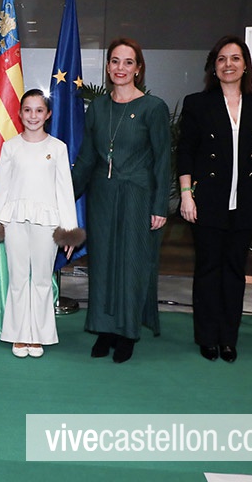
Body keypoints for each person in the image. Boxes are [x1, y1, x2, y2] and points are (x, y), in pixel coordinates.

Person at [177, 35, 252, 363]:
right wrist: (186, 195)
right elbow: (186, 152)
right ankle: (207, 337)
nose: (228, 64)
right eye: (221, 59)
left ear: (245, 65)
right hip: (207, 201)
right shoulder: (197, 103)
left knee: (235, 271)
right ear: (214, 66)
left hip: (248, 202)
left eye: (235, 58)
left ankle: (228, 338)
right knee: (208, 269)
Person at [72, 37, 171, 363]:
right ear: (108, 66)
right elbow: (86, 159)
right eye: (115, 61)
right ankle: (105, 329)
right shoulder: (98, 108)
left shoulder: (153, 108)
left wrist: (160, 206)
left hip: (137, 197)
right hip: (101, 197)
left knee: (131, 264)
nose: (121, 68)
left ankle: (127, 332)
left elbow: (163, 161)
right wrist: (62, 197)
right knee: (102, 264)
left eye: (128, 62)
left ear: (138, 68)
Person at [0, 89, 84, 358]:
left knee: (41, 279)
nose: (33, 116)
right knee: (17, 279)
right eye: (27, 110)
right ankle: (18, 334)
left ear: (48, 114)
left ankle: (38, 336)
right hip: (15, 220)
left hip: (47, 222)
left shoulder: (57, 148)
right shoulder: (11, 147)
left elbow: (64, 190)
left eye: (39, 110)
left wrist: (69, 231)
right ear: (20, 113)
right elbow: (2, 188)